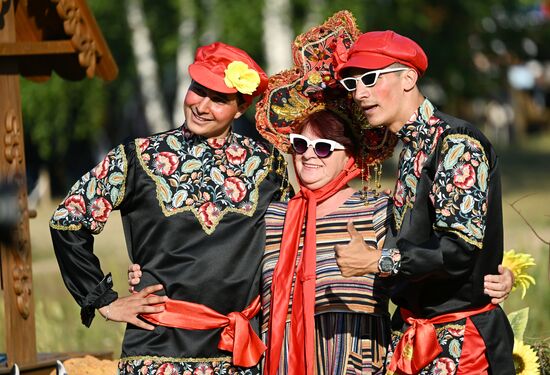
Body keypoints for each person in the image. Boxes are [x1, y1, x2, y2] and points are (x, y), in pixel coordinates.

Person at [49, 41, 286, 374]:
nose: (202, 105)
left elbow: (288, 247)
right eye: (198, 90)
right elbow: (67, 221)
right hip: (156, 353)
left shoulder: (269, 166)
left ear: (241, 107)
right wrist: (104, 301)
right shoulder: (137, 158)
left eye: (218, 99)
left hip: (238, 355)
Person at [334, 30, 515, 374]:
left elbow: (458, 251)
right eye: (353, 84)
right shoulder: (412, 148)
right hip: (419, 337)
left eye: (370, 78)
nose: (360, 93)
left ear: (408, 78)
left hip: (462, 346)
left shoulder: (456, 144)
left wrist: (378, 261)